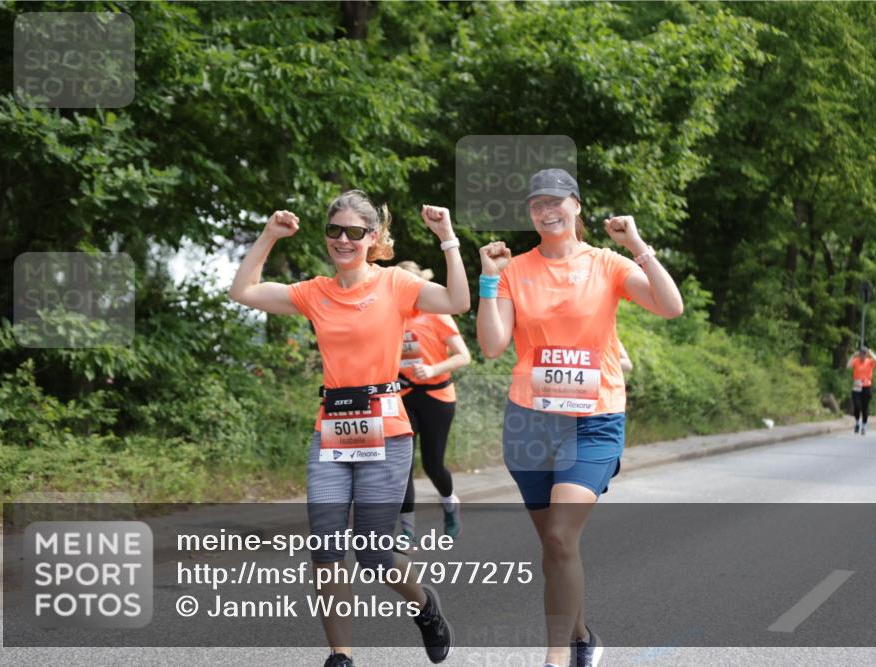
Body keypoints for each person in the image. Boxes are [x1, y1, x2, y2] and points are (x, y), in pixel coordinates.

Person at [228, 192, 469, 667]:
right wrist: (270, 234)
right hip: (332, 430)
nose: (343, 239)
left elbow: (457, 301)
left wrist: (447, 237)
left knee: (374, 555)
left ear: (372, 237)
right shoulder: (315, 292)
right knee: (324, 546)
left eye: (354, 232)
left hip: (387, 428)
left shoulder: (396, 283)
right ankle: (341, 656)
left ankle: (425, 607)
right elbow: (243, 291)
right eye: (334, 230)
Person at [476, 169, 683, 667]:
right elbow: (492, 345)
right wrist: (487, 278)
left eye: (556, 201)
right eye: (536, 204)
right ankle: (583, 638)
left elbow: (670, 306)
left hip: (594, 420)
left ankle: (556, 659)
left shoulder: (606, 263)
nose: (546, 211)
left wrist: (637, 245)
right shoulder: (515, 270)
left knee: (559, 537)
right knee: (556, 551)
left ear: (576, 205)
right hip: (530, 422)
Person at [395, 260, 472, 541]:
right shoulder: (390, 316)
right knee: (402, 464)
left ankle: (450, 503)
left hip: (437, 396)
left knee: (432, 465)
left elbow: (463, 356)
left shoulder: (437, 313)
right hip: (403, 395)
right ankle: (407, 530)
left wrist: (432, 369)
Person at [846, 346, 876, 436]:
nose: (862, 356)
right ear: (859, 354)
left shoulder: (869, 361)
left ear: (866, 355)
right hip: (857, 386)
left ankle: (864, 426)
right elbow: (848, 366)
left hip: (867, 386)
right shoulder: (856, 361)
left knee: (865, 407)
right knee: (857, 406)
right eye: (861, 354)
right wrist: (853, 355)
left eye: (864, 354)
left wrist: (870, 352)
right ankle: (857, 423)